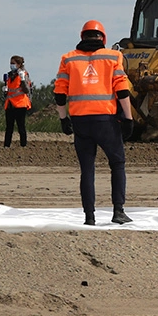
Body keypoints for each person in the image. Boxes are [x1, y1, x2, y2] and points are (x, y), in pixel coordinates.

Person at [54, 20, 135, 226]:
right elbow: (122, 91)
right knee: (117, 164)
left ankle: (89, 217)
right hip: (106, 121)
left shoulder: (68, 59)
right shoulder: (113, 56)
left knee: (87, 169)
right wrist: (128, 118)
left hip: (81, 122)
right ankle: (118, 211)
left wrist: (64, 119)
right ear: (103, 38)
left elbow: (60, 94)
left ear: (82, 37)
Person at [2, 55, 32, 148]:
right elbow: (9, 91)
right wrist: (5, 90)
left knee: (21, 127)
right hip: (10, 104)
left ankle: (23, 145)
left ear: (19, 64)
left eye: (13, 63)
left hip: (20, 104)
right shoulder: (9, 75)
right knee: (9, 127)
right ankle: (6, 145)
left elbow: (27, 90)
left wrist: (23, 80)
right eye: (10, 63)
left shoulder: (24, 74)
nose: (11, 65)